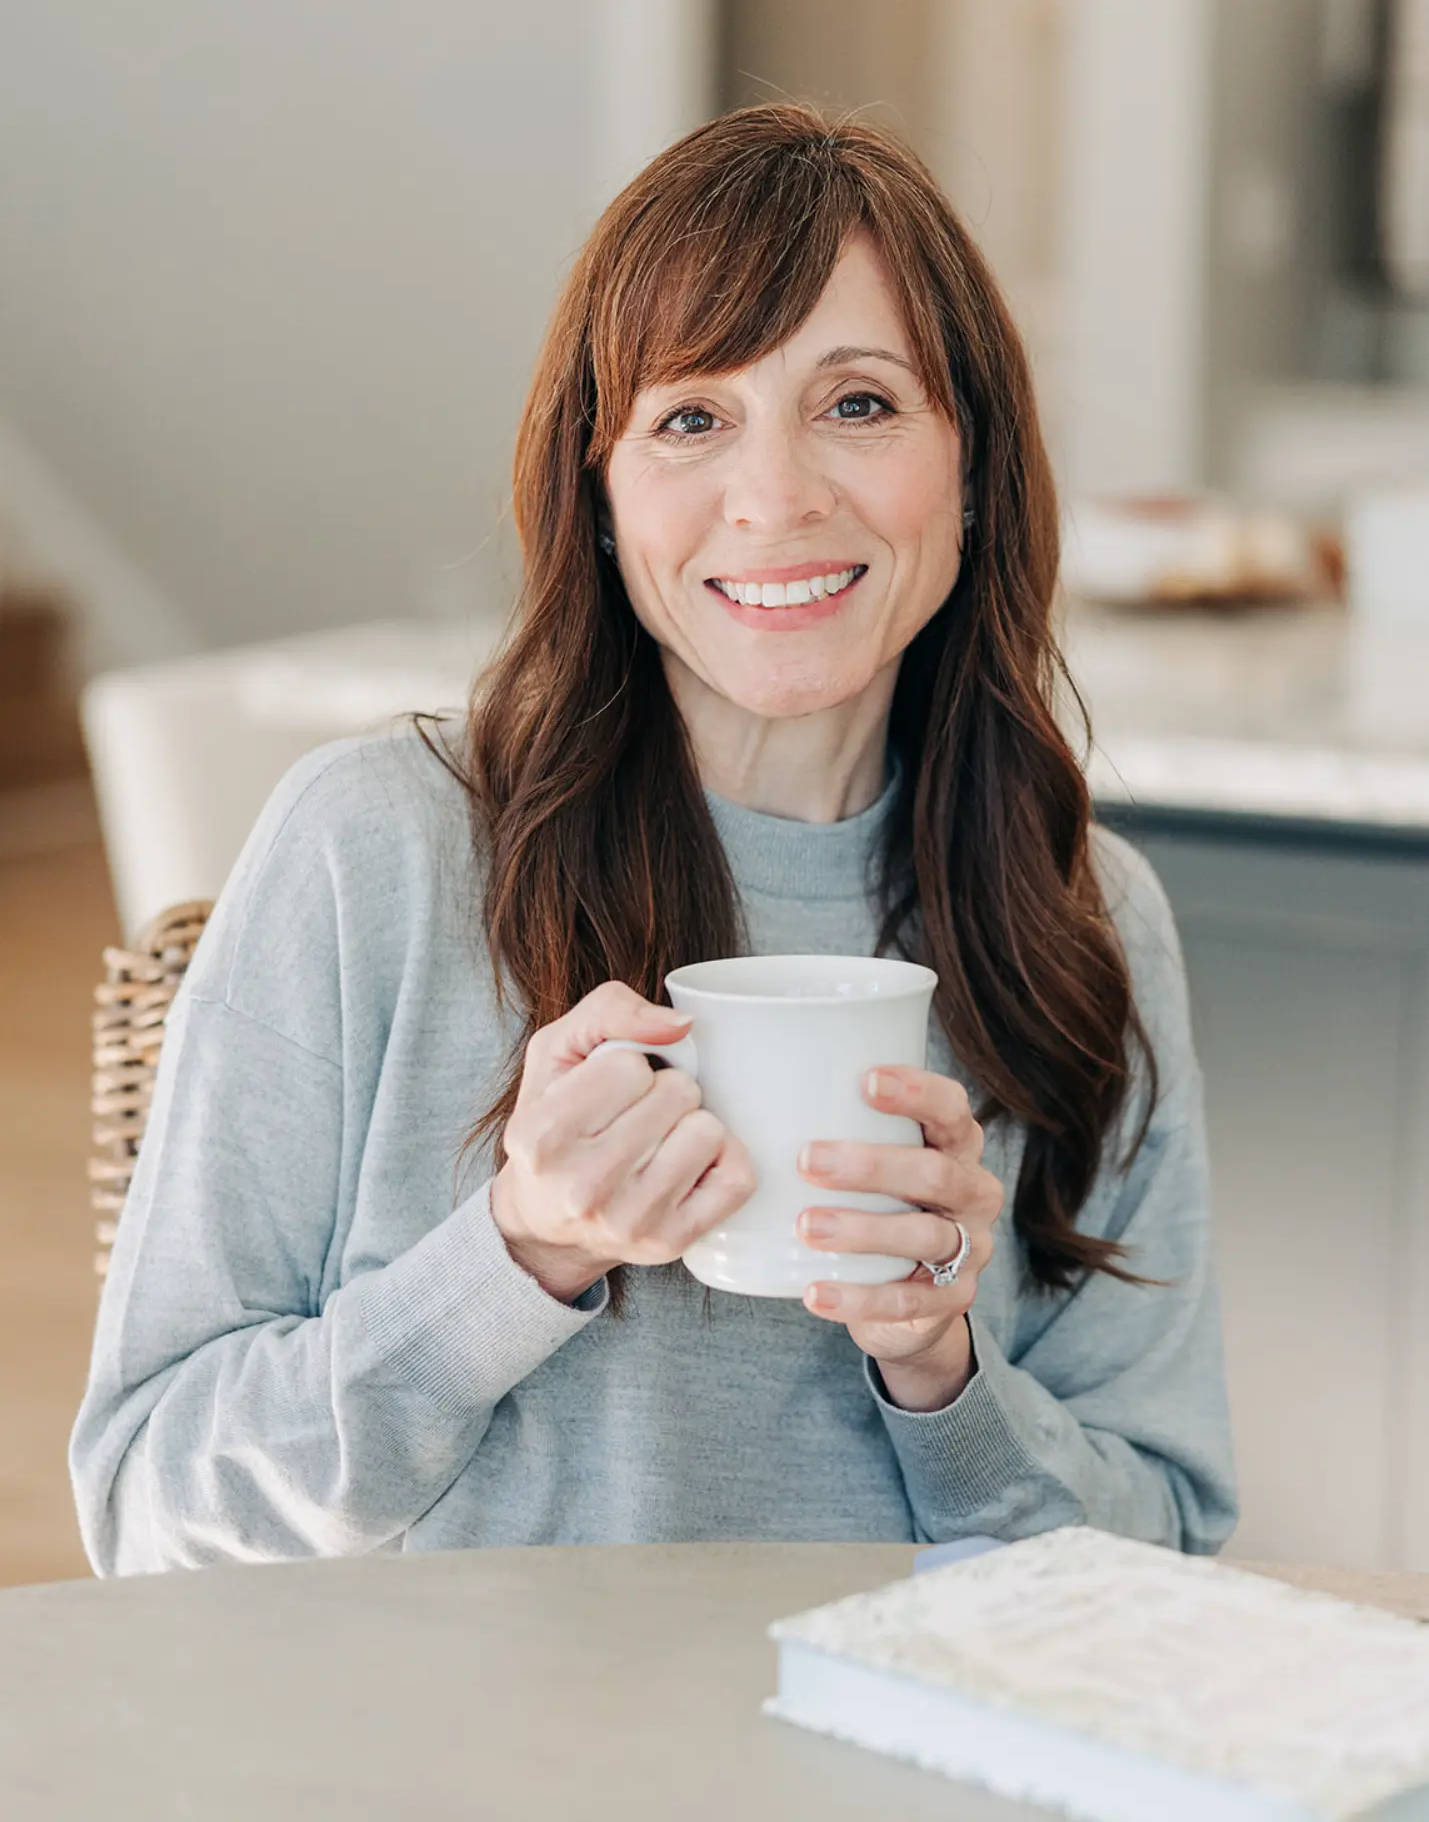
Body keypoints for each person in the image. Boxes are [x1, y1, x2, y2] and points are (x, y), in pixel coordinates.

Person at [71, 104, 1237, 1573]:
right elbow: (148, 1509)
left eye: (860, 403)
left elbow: (1168, 1553)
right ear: (603, 496)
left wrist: (945, 1369)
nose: (777, 496)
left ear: (977, 467)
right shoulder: (377, 852)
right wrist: (518, 1252)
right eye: (692, 418)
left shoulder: (1084, 922)